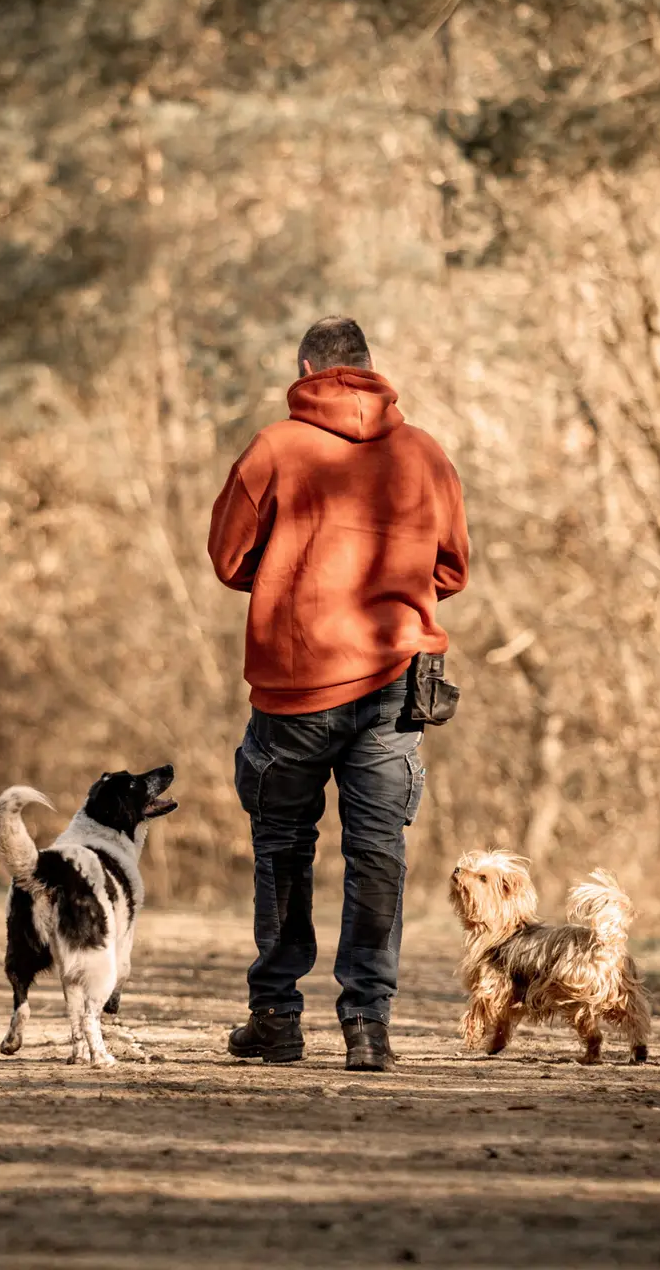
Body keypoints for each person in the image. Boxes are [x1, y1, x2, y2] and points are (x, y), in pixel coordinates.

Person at [207, 317, 469, 1072]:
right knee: (379, 851)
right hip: (394, 682)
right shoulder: (423, 453)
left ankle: (277, 1018)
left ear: (306, 366)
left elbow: (229, 558)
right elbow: (451, 570)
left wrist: (290, 580)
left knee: (284, 847)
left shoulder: (274, 449)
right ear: (370, 368)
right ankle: (367, 1024)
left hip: (293, 685)